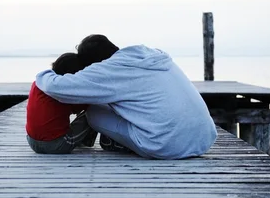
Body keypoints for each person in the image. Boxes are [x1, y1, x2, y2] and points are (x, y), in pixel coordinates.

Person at [35, 35, 217, 159]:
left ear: (94, 63)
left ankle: (119, 143)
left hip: (166, 145)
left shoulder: (109, 69)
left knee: (94, 112)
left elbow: (57, 87)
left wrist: (44, 74)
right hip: (203, 139)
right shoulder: (150, 57)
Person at [26, 52, 98, 154]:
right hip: (56, 144)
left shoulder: (39, 83)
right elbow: (81, 107)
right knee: (95, 109)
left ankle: (83, 140)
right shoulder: (64, 87)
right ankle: (86, 141)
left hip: (32, 142)